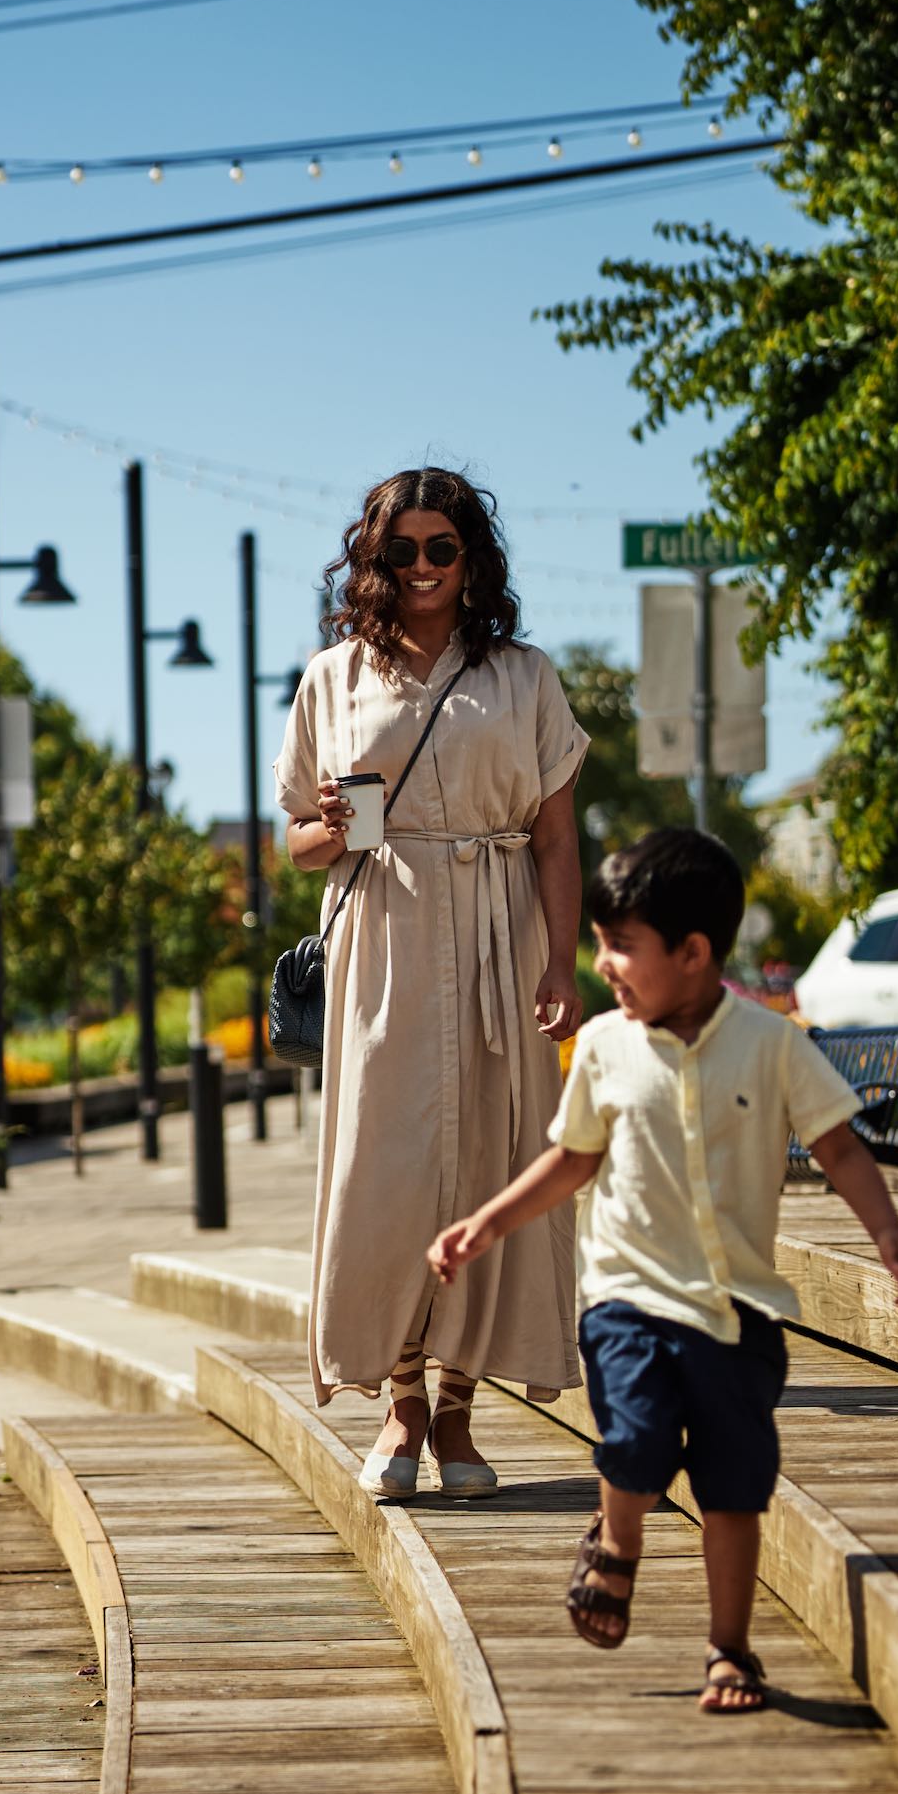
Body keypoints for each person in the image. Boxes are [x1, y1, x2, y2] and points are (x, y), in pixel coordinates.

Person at [429, 825, 898, 1710]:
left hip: (740, 1313)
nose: (604, 964)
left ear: (694, 954)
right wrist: (484, 1223)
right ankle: (618, 1543)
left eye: (622, 946)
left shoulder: (772, 1047)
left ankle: (729, 1649)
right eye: (599, 944)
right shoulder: (605, 1049)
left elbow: (840, 1147)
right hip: (627, 1297)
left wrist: (888, 1235)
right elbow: (573, 1161)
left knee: (735, 1491)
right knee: (636, 1440)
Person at [276, 467, 589, 1499]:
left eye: (439, 549)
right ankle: (396, 1402)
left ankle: (455, 1413)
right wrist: (335, 818)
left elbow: (553, 837)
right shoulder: (332, 679)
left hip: (499, 925)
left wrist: (560, 960)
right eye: (398, 550)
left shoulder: (523, 675)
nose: (419, 568)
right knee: (385, 1173)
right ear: (371, 559)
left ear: (471, 559)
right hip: (385, 938)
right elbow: (302, 847)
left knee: (491, 1164)